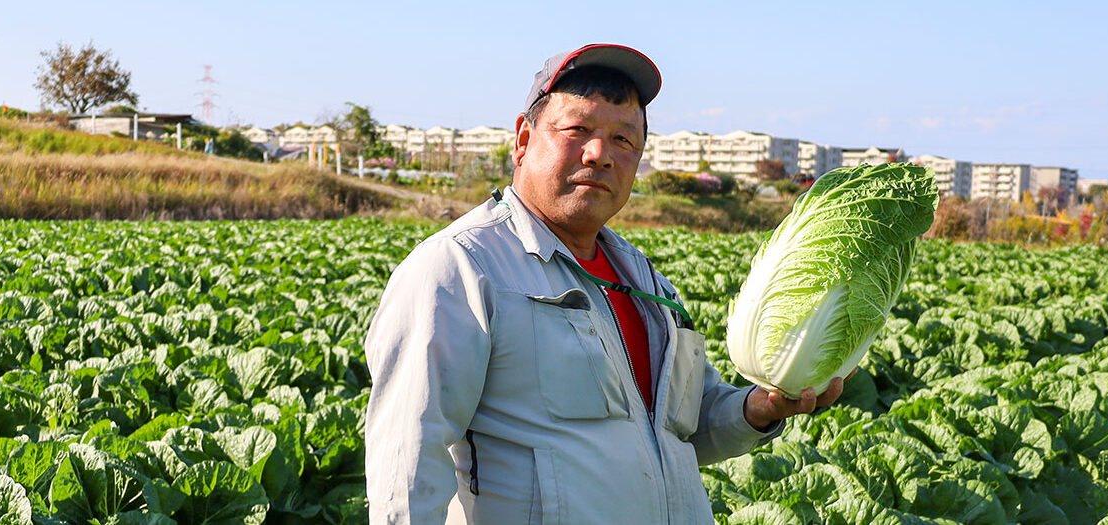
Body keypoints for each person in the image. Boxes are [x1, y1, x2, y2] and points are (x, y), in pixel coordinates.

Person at [364, 43, 850, 525]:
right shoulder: (460, 267)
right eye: (577, 129)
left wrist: (758, 409)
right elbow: (406, 464)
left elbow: (680, 429)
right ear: (523, 139)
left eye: (624, 140)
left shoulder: (646, 282)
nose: (599, 154)